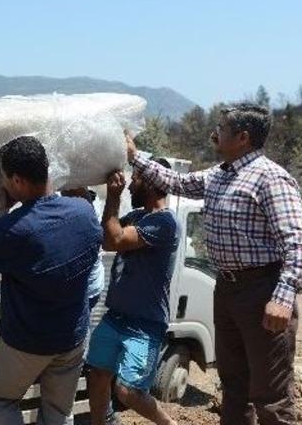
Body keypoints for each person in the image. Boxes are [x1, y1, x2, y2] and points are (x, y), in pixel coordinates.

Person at [126, 104, 302, 425]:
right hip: (226, 288)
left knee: (270, 394)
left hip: (262, 291)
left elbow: (299, 245)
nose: (214, 134)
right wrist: (134, 157)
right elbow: (176, 182)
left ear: (242, 137)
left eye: (221, 129)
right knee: (233, 383)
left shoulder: (271, 179)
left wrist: (282, 298)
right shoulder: (219, 174)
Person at [0, 136, 102, 425]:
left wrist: (0, 213)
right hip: (72, 338)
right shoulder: (83, 212)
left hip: (26, 342)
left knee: (3, 401)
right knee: (58, 412)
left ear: (18, 180)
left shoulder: (12, 228)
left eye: (5, 178)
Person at [86, 160, 178, 425]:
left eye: (135, 179)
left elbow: (115, 240)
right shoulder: (138, 217)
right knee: (97, 376)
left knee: (129, 392)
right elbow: (107, 236)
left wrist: (113, 196)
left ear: (150, 183)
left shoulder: (165, 223)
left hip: (144, 324)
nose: (129, 185)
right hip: (116, 316)